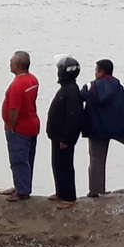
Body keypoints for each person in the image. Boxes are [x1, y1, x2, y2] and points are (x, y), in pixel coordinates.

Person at [81, 59, 124, 198]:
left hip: (96, 129)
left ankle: (96, 191)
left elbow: (80, 100)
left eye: (95, 70)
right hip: (118, 127)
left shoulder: (89, 86)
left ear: (101, 72)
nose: (95, 73)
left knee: (96, 159)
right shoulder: (121, 86)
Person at [46, 56, 84, 209]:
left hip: (64, 137)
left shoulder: (72, 91)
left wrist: (66, 138)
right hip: (58, 136)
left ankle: (69, 196)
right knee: (57, 164)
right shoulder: (67, 88)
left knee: (65, 165)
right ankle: (60, 192)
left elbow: (74, 118)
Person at [1, 51, 40, 202]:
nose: (9, 63)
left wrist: (10, 125)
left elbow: (14, 109)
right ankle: (22, 185)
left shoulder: (17, 85)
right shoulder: (33, 79)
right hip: (32, 123)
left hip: (20, 128)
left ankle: (22, 190)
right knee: (28, 158)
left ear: (17, 65)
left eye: (11, 61)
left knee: (18, 159)